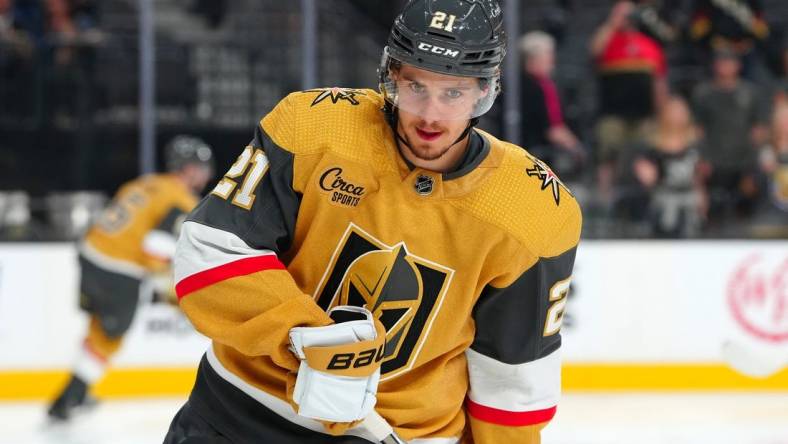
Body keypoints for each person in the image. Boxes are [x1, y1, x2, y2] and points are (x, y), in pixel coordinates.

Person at [164, 1, 582, 443]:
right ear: (390, 77)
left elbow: (511, 383)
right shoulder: (315, 127)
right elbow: (210, 253)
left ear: (484, 91)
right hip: (237, 414)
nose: (431, 115)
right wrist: (307, 340)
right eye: (415, 86)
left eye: (453, 93)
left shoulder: (533, 211)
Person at [47, 135, 214, 421]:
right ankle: (67, 401)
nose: (206, 174)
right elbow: (156, 247)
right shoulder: (182, 198)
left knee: (99, 330)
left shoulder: (145, 182)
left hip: (90, 256)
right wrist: (169, 289)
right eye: (202, 168)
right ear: (189, 169)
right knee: (109, 338)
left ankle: (78, 391)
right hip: (118, 272)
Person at [590, 0, 668, 199]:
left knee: (649, 155)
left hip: (644, 114)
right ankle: (605, 198)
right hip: (613, 113)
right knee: (607, 155)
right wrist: (613, 22)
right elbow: (594, 51)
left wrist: (662, 114)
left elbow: (659, 83)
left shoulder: (649, 45)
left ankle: (649, 199)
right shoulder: (608, 40)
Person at [692, 48, 768, 223]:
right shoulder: (704, 93)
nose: (725, 66)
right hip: (714, 159)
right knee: (714, 210)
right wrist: (702, 157)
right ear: (715, 65)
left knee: (748, 203)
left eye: (730, 62)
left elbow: (758, 130)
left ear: (738, 65)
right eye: (722, 62)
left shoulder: (750, 93)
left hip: (743, 159)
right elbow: (698, 130)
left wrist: (754, 162)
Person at [617, 96, 705, 237]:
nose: (678, 116)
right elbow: (643, 178)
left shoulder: (695, 146)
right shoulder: (651, 148)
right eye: (674, 111)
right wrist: (646, 177)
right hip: (661, 202)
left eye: (681, 111)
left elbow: (699, 178)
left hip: (689, 204)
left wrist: (702, 195)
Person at [519, 31, 584, 176]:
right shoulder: (542, 86)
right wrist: (576, 148)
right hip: (537, 155)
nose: (552, 59)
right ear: (533, 59)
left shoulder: (517, 83)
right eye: (548, 54)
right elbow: (554, 130)